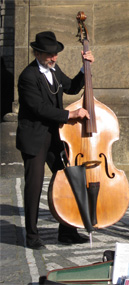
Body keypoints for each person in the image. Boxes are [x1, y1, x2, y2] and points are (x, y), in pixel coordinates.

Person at [16, 31, 94, 250]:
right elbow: (39, 108)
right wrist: (71, 115)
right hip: (34, 136)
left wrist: (84, 68)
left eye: (56, 54)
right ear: (37, 53)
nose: (54, 58)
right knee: (34, 186)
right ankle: (31, 236)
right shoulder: (28, 76)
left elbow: (71, 87)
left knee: (70, 178)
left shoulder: (54, 70)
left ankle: (67, 232)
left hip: (56, 136)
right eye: (50, 54)